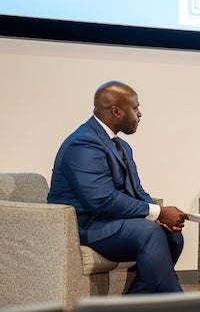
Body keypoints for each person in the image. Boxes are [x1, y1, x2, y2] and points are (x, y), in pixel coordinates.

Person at [48, 81, 187, 293]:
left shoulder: (121, 146)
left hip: (109, 221)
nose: (139, 114)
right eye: (135, 108)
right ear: (116, 111)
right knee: (149, 233)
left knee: (173, 237)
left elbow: (136, 192)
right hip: (86, 226)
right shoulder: (83, 143)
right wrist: (158, 212)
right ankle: (180, 305)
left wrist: (159, 217)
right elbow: (101, 199)